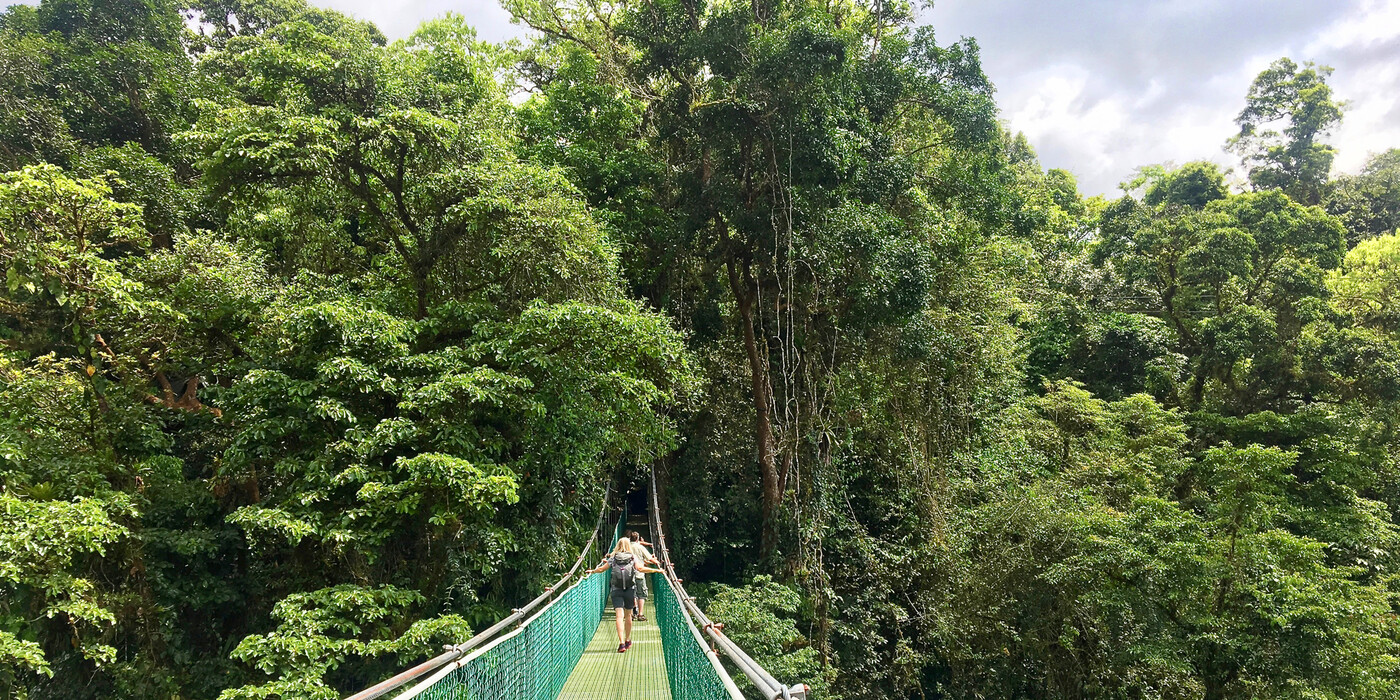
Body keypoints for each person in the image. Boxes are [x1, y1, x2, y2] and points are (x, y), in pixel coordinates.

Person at [585, 537, 662, 653]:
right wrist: (656, 570)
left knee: (619, 617)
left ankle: (621, 643)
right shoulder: (632, 557)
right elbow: (640, 568)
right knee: (628, 616)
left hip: (616, 590)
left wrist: (592, 571)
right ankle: (627, 639)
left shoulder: (613, 558)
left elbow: (602, 569)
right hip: (629, 590)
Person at [627, 531, 660, 621]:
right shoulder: (640, 547)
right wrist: (658, 563)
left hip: (628, 575)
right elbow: (650, 558)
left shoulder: (626, 547)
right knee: (641, 594)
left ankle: (633, 612)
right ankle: (640, 614)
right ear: (638, 539)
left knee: (632, 594)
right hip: (639, 574)